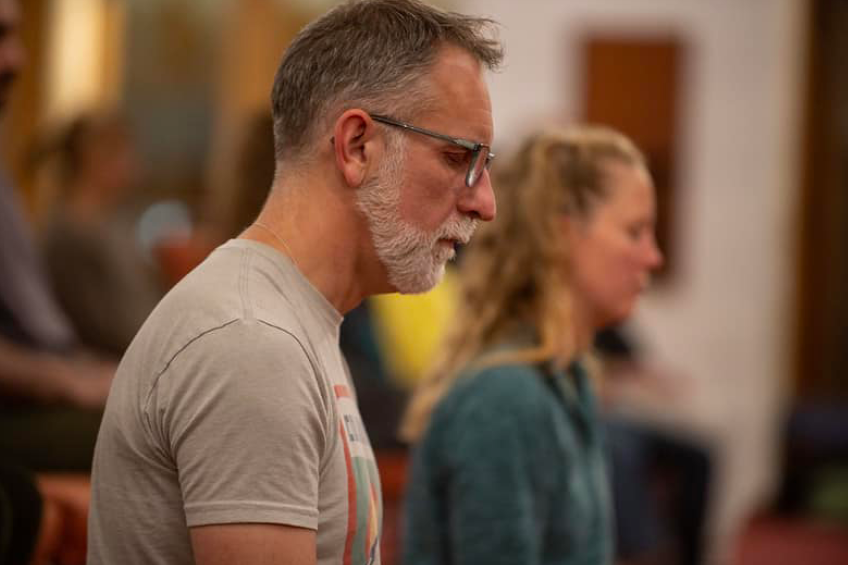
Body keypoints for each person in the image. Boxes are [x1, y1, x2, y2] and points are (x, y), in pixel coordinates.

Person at [87, 1, 502, 564]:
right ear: (357, 146)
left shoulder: (295, 319)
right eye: (458, 158)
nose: (485, 203)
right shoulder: (251, 342)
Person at [401, 125, 664, 565]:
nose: (653, 257)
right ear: (563, 236)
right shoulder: (505, 399)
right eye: (635, 232)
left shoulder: (568, 377)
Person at [41, 112, 163, 357]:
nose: (136, 165)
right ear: (96, 157)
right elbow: (110, 326)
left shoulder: (113, 222)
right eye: (127, 154)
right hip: (104, 364)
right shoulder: (72, 232)